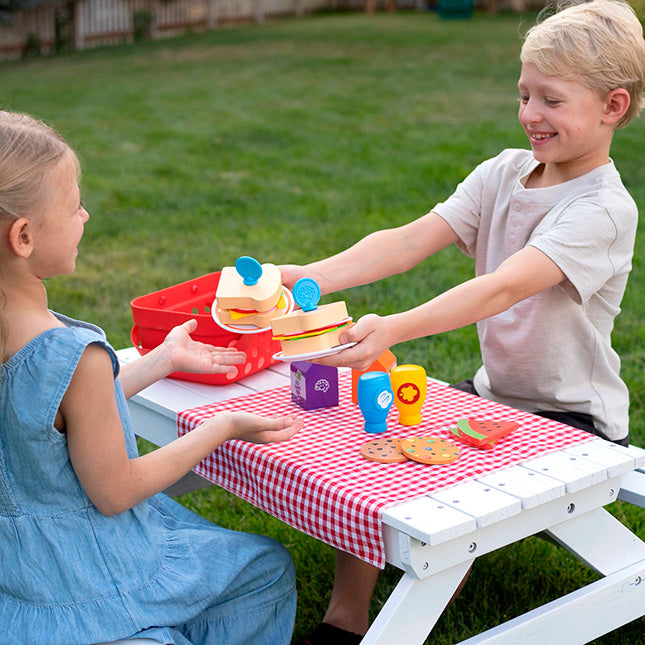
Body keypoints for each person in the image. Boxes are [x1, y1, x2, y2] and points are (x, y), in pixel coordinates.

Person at [281, 1, 645, 643]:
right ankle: (345, 619)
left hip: (571, 419)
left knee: (427, 470)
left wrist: (393, 326)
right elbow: (407, 239)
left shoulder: (603, 210)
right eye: (524, 93)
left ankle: (427, 588)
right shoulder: (503, 173)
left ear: (612, 107)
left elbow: (499, 289)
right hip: (494, 398)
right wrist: (307, 274)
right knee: (374, 447)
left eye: (552, 100)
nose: (531, 113)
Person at [0, 110, 304, 645]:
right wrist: (222, 427)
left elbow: (41, 421)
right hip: (91, 572)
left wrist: (159, 361)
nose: (86, 216)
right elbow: (117, 491)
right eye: (74, 207)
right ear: (23, 236)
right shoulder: (76, 354)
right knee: (265, 572)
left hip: (18, 574)